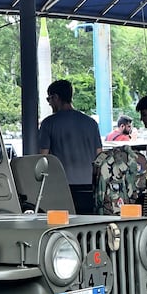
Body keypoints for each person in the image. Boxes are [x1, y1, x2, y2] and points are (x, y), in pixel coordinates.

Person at [37, 79, 101, 214]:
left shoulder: (48, 123)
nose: (49, 103)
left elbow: (44, 158)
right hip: (89, 186)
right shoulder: (91, 123)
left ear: (56, 97)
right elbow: (99, 155)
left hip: (61, 186)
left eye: (49, 99)